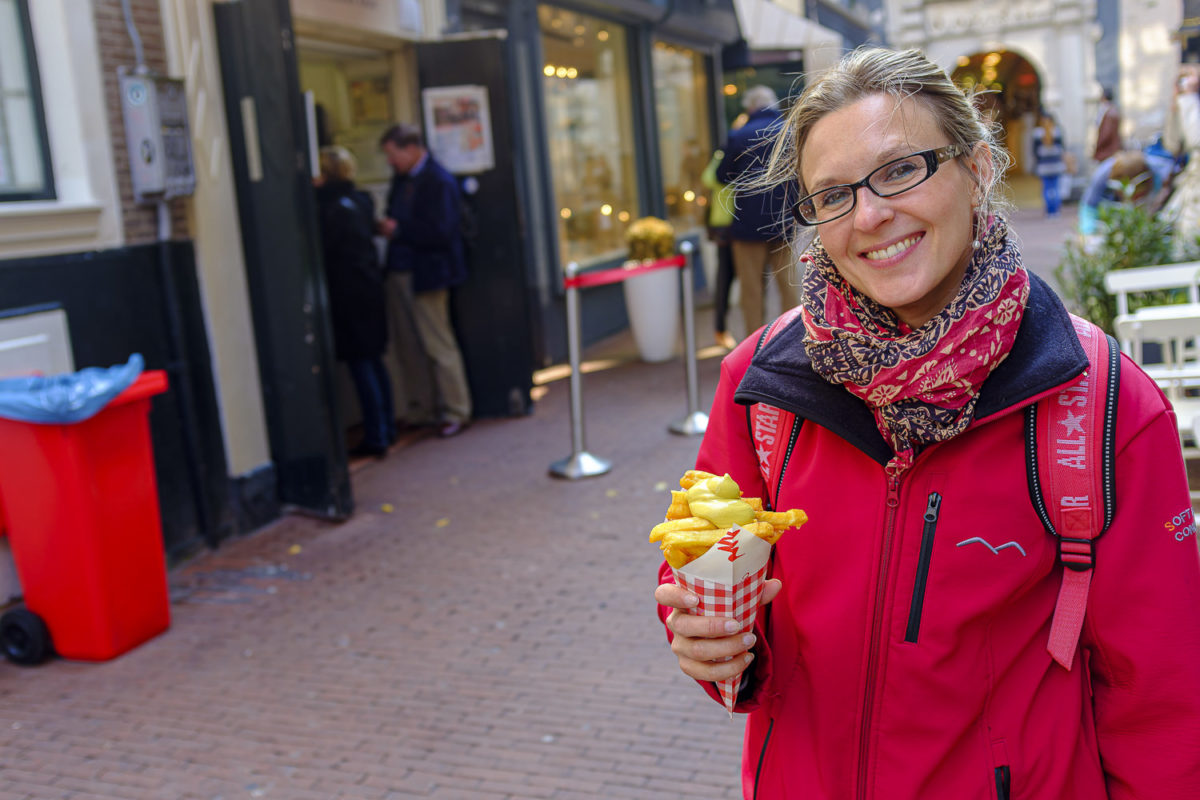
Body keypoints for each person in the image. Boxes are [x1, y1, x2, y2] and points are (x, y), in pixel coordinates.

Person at [655, 47, 1200, 799]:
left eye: (900, 170)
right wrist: (710, 639)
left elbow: (1164, 699)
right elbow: (705, 570)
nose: (871, 215)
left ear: (976, 170)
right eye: (834, 195)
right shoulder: (760, 387)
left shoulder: (1105, 404)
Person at [379, 123, 472, 438]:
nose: (390, 162)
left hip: (428, 272)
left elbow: (443, 231)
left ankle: (456, 408)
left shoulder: (438, 181)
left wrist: (400, 231)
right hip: (402, 269)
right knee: (408, 344)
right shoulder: (402, 180)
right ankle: (422, 407)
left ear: (410, 149)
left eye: (393, 155)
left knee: (437, 342)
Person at [314, 146, 395, 459]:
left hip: (347, 293)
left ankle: (376, 434)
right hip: (369, 287)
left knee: (363, 363)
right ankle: (385, 427)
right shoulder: (361, 201)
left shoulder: (329, 208)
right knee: (374, 360)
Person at [716, 86, 799, 335]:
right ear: (772, 105)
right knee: (789, 286)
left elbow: (722, 176)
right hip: (783, 220)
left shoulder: (739, 135)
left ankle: (754, 344)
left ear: (750, 107)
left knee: (751, 289)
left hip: (747, 223)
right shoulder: (789, 132)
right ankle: (795, 338)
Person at [701, 146, 738, 351]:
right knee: (724, 279)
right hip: (724, 227)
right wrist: (721, 157)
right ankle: (720, 330)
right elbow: (708, 178)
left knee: (747, 283)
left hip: (740, 225)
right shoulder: (723, 156)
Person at [1162, 66, 1200, 255]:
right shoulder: (1190, 103)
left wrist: (1189, 99)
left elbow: (1196, 141)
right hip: (1191, 188)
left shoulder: (1192, 102)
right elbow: (1173, 144)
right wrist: (1177, 106)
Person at [1032, 109, 1068, 216]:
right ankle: (1056, 210)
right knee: (1056, 188)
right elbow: (1063, 148)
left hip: (1044, 165)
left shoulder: (1037, 133)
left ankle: (1050, 210)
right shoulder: (1058, 132)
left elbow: (1034, 151)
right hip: (1056, 164)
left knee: (1046, 189)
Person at [1091, 86, 1122, 163]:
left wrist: (1098, 146)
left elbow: (1106, 133)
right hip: (1112, 150)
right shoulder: (1113, 110)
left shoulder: (1108, 112)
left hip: (1108, 151)